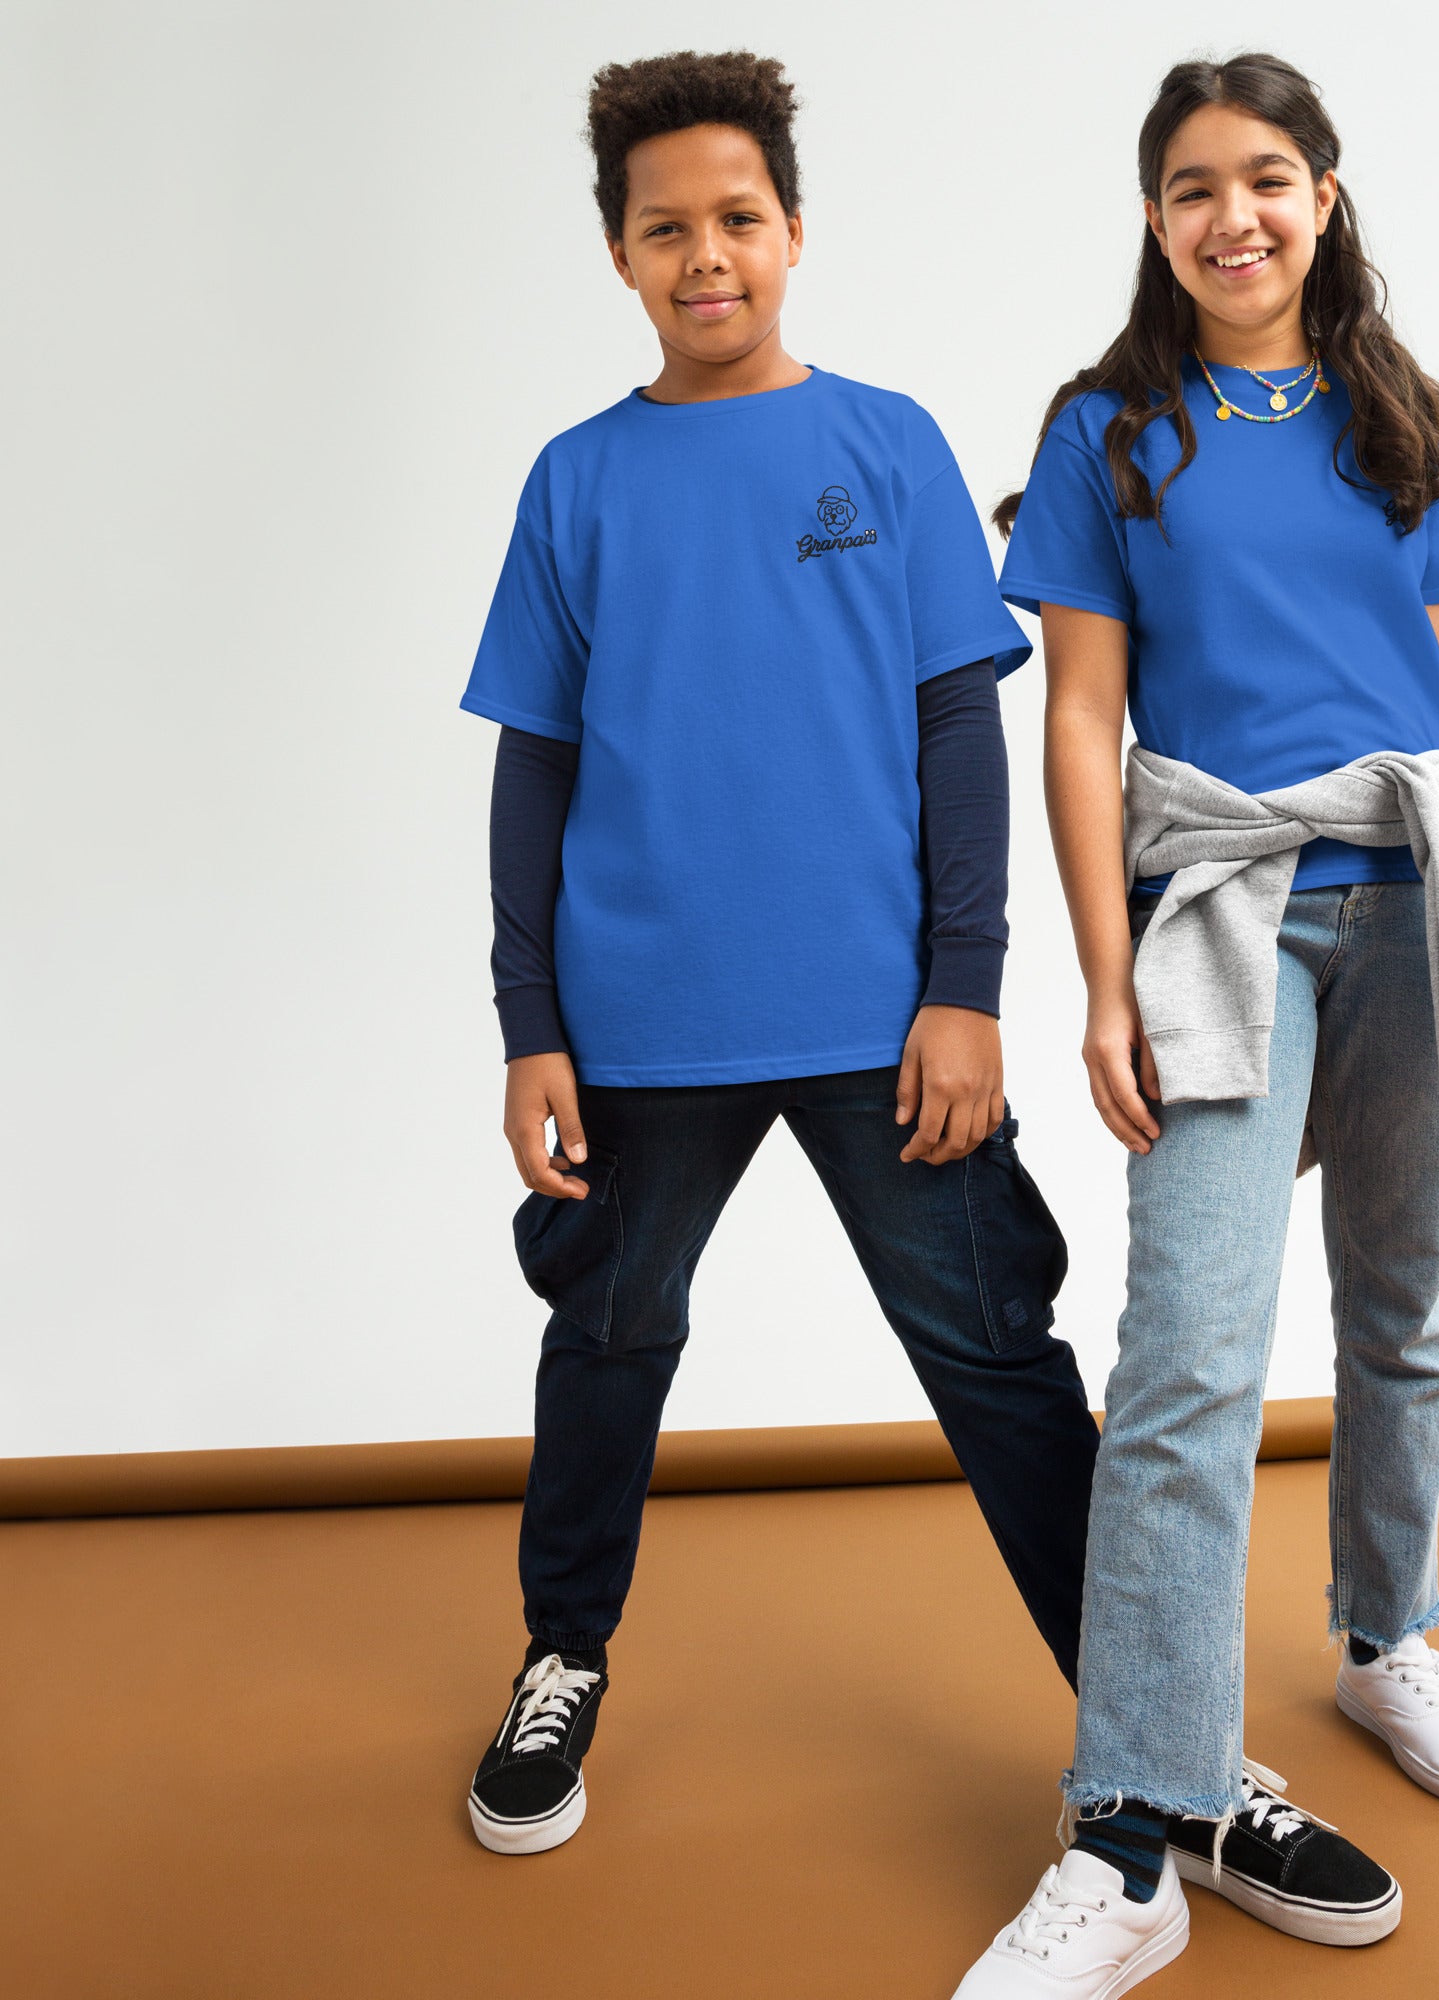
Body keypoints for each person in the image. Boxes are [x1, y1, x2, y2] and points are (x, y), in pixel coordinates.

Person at [954, 51, 1439, 1995]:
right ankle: (1134, 1830)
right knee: (1187, 1360)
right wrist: (1092, 973)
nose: (1231, 215)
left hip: (1419, 902)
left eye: (1266, 177)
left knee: (1397, 1304)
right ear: (1150, 222)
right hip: (1221, 907)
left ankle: (1388, 1630)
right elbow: (1075, 718)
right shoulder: (1108, 434)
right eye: (1187, 188)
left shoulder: (1405, 422)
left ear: (1324, 194)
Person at [455, 49, 1102, 1859]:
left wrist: (963, 985)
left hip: (883, 1021)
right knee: (606, 1336)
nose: (707, 254)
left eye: (739, 218)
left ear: (795, 232)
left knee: (1000, 1360)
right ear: (620, 257)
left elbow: (957, 728)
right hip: (640, 1020)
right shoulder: (576, 481)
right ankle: (562, 1656)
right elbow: (537, 767)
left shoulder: (883, 442)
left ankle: (1155, 1726)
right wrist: (531, 1024)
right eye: (667, 229)